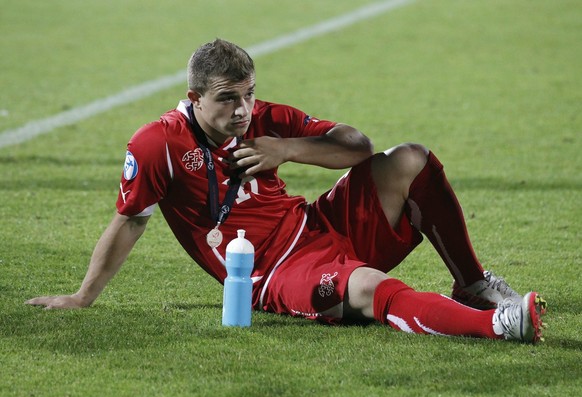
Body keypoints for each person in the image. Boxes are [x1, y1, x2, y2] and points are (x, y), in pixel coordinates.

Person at [26, 38, 546, 343]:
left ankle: (472, 283)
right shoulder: (157, 144)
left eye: (248, 95)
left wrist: (285, 148)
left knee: (410, 158)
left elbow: (357, 147)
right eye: (228, 99)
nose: (242, 111)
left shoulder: (263, 120)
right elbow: (131, 218)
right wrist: (82, 296)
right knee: (365, 288)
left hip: (317, 226)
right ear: (195, 98)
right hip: (273, 271)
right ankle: (496, 326)